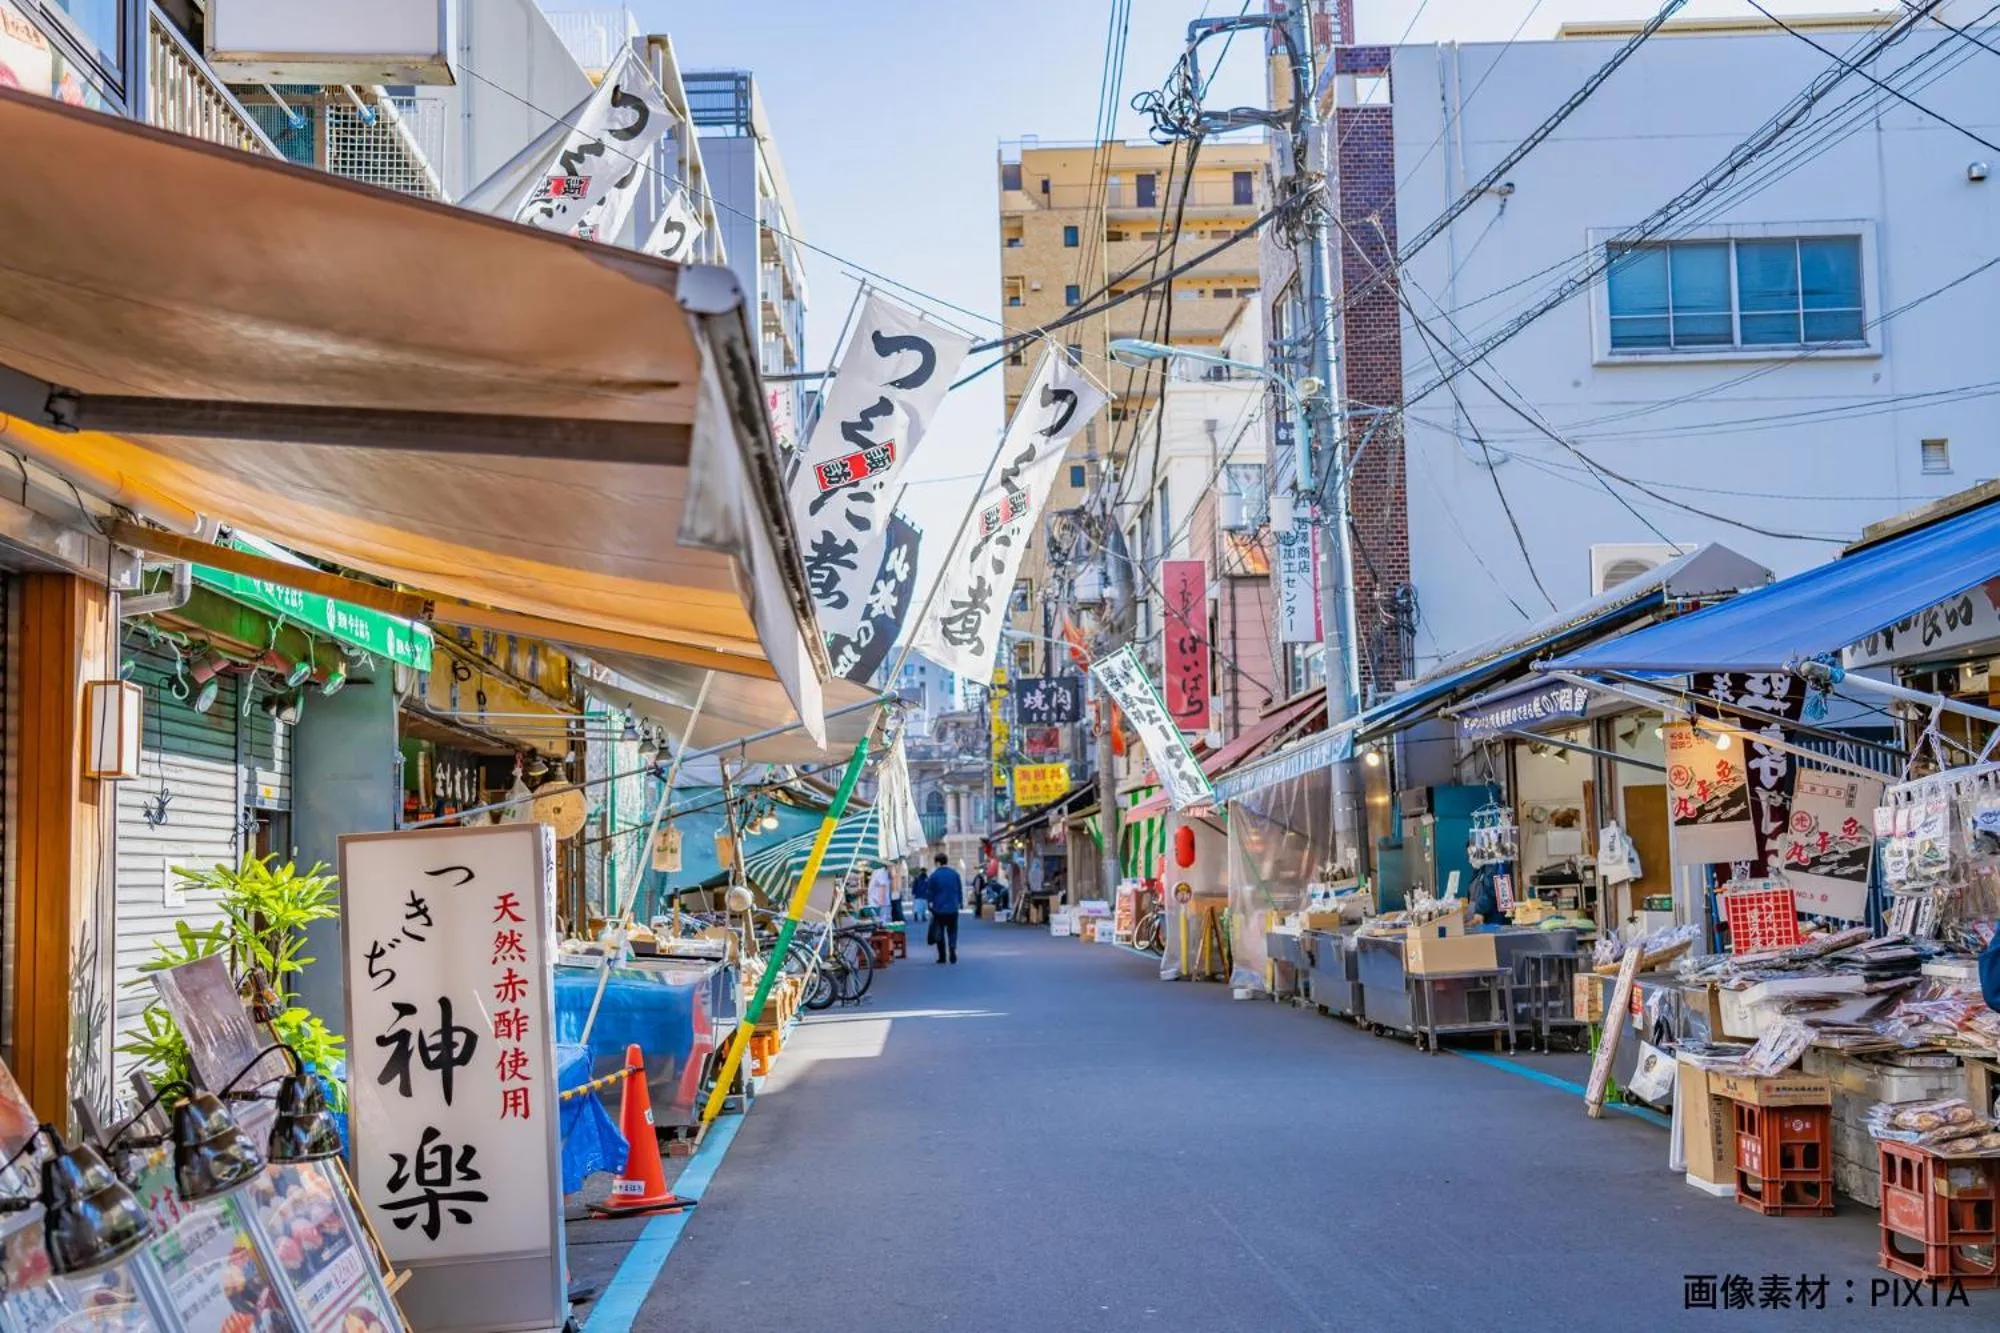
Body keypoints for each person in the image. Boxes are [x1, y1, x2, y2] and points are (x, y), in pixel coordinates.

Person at [924, 852, 963, 964]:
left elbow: (930, 893)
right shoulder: (955, 874)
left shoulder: (934, 876)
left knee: (939, 932)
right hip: (953, 908)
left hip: (939, 909)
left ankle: (942, 957)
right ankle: (952, 950)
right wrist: (959, 903)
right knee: (952, 931)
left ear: (937, 862)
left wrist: (930, 905)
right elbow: (959, 890)